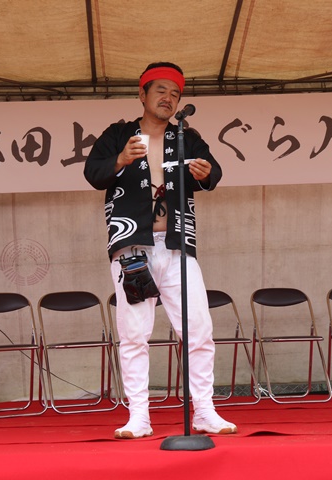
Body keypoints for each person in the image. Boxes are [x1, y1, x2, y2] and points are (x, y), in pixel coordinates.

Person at [84, 62, 237, 439]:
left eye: (175, 94)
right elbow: (93, 173)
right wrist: (121, 159)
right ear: (142, 94)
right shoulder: (118, 134)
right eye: (161, 91)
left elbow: (214, 174)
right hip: (132, 247)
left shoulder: (186, 136)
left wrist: (205, 173)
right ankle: (139, 416)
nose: (168, 98)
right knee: (134, 334)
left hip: (176, 247)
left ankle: (204, 412)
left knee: (198, 330)